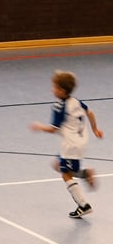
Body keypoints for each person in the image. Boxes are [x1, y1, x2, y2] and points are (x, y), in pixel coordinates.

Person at [30, 70, 103, 218]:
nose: (52, 89)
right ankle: (85, 174)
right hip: (81, 141)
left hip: (71, 145)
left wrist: (39, 127)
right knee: (58, 165)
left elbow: (53, 129)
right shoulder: (76, 101)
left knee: (65, 174)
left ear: (61, 90)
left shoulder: (59, 106)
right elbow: (90, 112)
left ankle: (83, 205)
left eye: (54, 87)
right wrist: (95, 129)